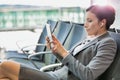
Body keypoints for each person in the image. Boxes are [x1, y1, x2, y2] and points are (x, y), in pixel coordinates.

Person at [0, 5, 117, 80]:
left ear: (102, 23)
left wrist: (64, 52)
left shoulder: (107, 43)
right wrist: (57, 51)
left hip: (59, 78)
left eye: (89, 21)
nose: (85, 25)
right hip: (56, 74)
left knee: (5, 65)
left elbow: (89, 75)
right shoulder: (89, 38)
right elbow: (70, 62)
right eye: (85, 20)